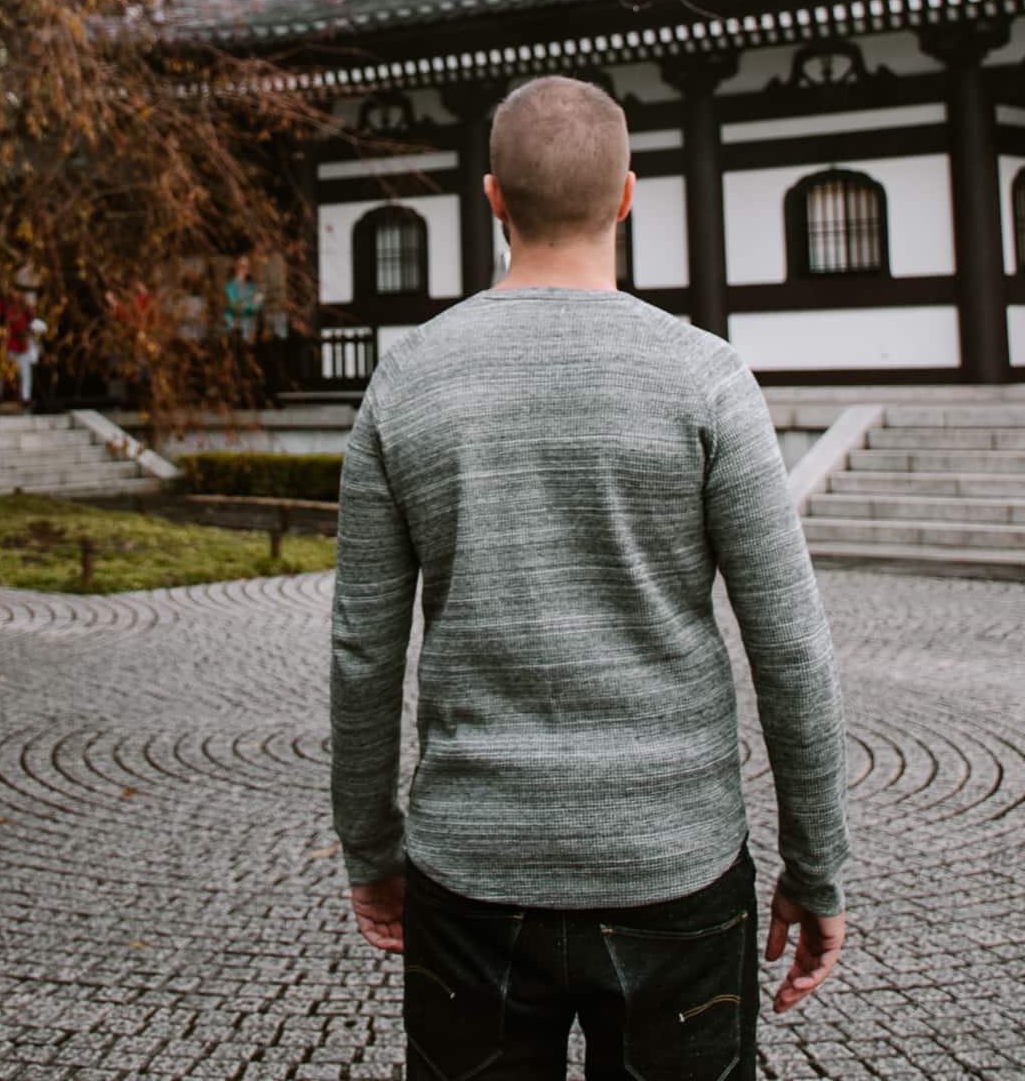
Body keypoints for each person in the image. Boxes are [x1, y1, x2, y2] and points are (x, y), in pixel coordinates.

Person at [330, 75, 849, 1081]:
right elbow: (790, 641)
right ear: (626, 197)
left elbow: (363, 646)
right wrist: (817, 863)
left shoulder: (408, 379)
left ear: (491, 199)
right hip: (675, 860)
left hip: (470, 866)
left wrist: (371, 847)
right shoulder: (706, 376)